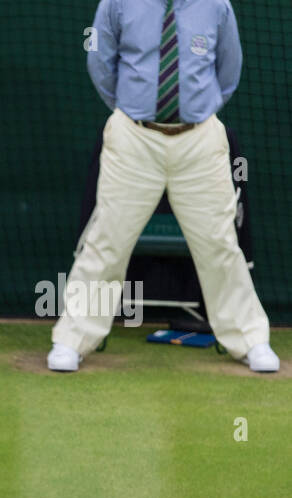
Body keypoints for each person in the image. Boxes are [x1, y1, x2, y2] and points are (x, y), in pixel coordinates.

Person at [48, 0, 276, 373]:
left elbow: (228, 69)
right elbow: (100, 63)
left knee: (219, 243)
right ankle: (72, 340)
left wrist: (198, 112)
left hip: (200, 139)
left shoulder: (217, 5)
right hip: (133, 138)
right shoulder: (117, 3)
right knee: (106, 241)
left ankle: (251, 340)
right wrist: (132, 113)